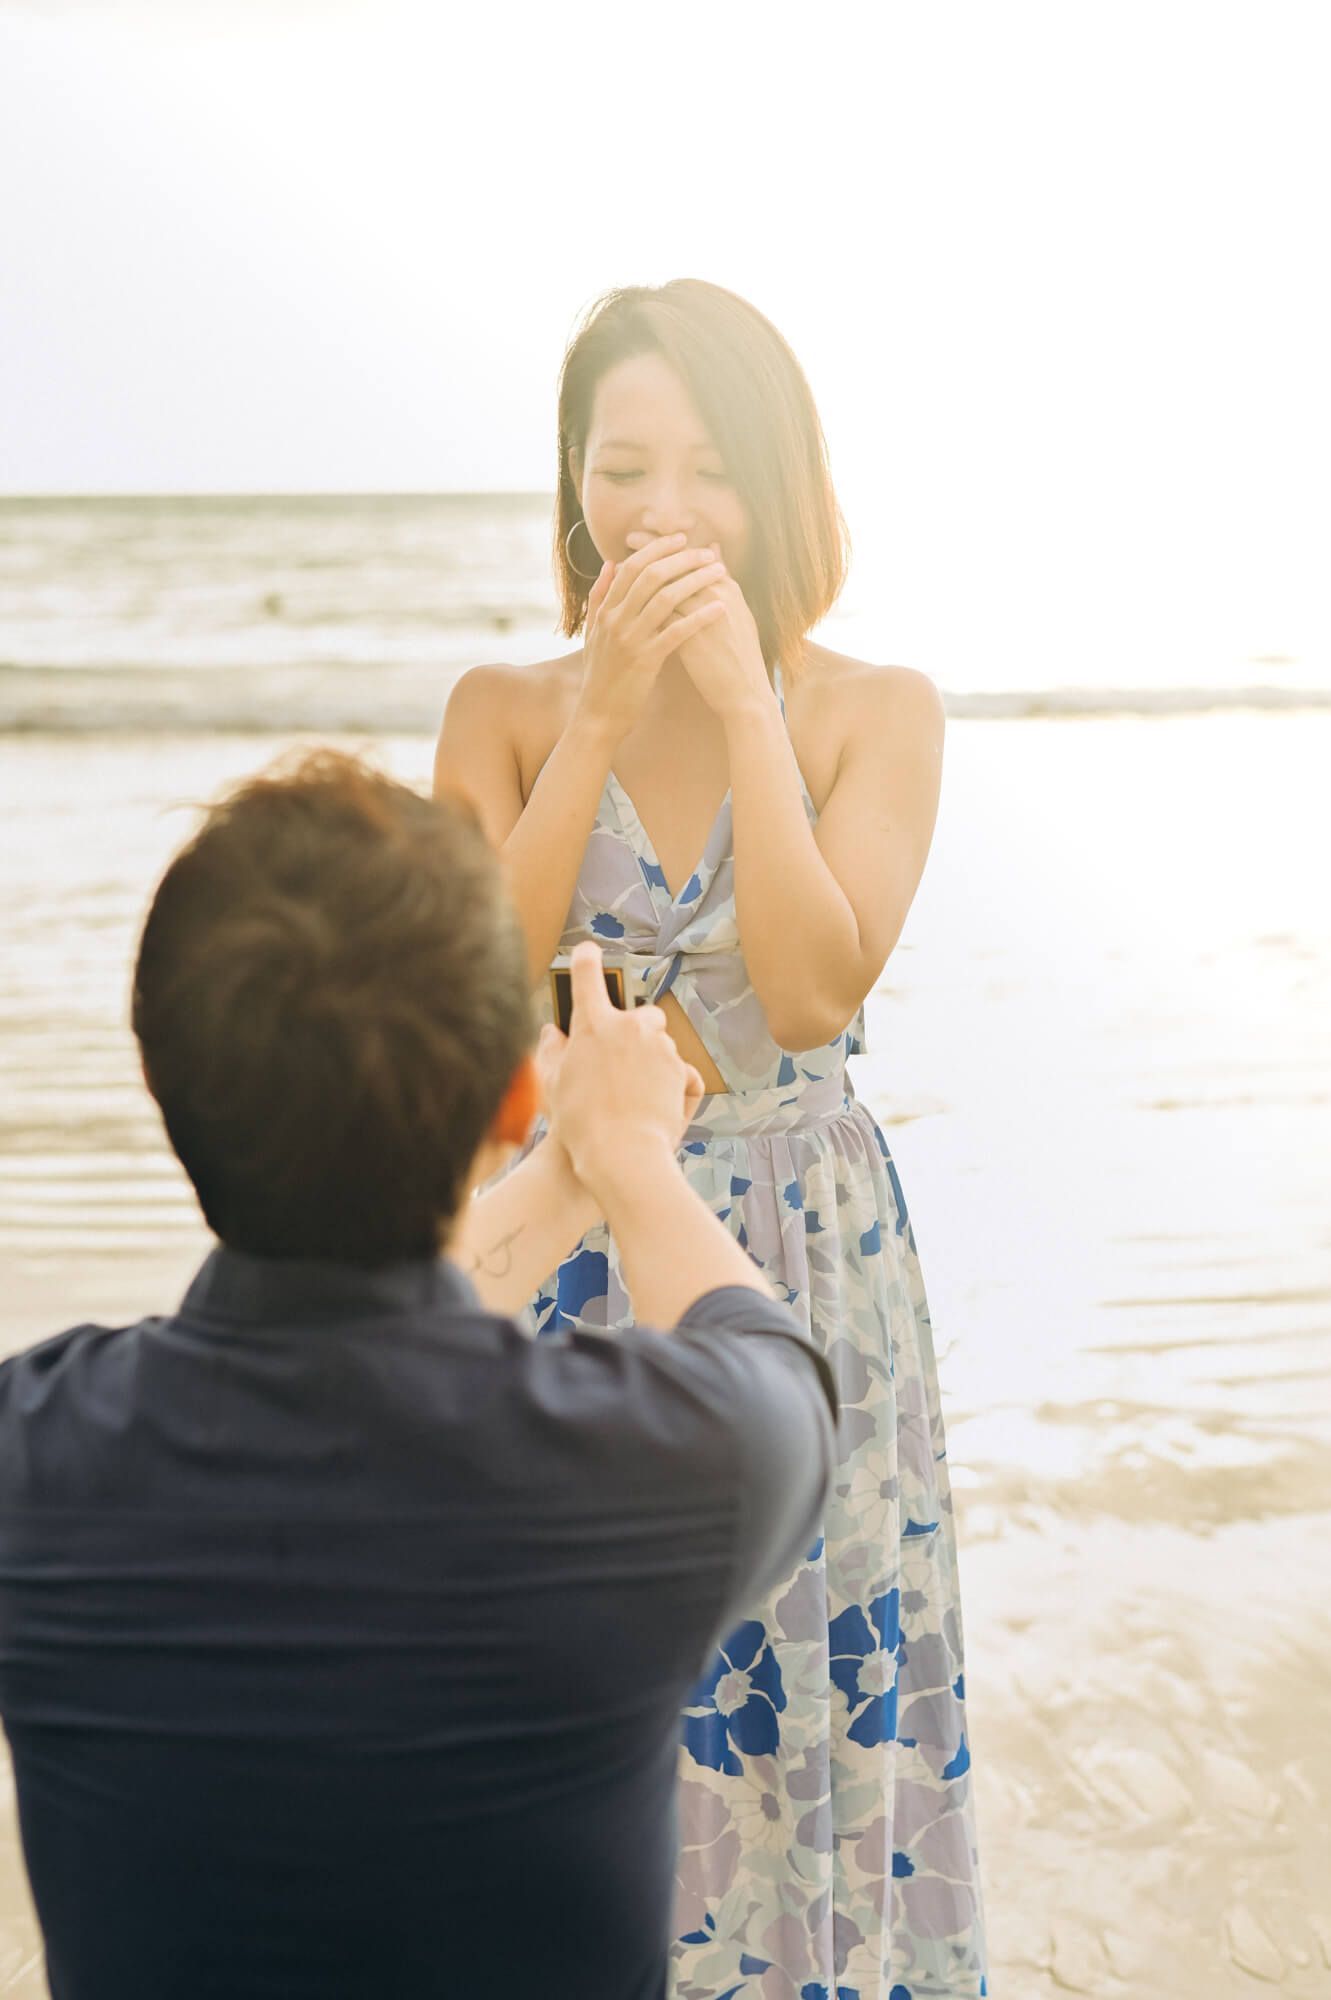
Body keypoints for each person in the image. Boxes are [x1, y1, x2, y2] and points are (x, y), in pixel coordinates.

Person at [0, 751, 840, 2000]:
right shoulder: (673, 1465)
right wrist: (622, 1156)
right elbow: (769, 1357)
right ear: (513, 1091)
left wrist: (561, 1176)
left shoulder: (34, 1457)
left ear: (160, 1081)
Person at [433, 279, 988, 1999]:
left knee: (810, 1679)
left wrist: (747, 708)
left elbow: (815, 992)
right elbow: (467, 997)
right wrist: (596, 714)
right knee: (587, 1718)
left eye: (705, 472)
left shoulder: (870, 712)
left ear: (778, 486)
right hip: (566, 1244)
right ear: (570, 489)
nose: (660, 513)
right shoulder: (502, 713)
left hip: (798, 1257)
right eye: (620, 469)